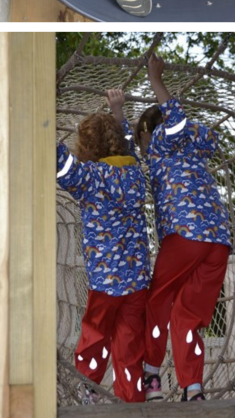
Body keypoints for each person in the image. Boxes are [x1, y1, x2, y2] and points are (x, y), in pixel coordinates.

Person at [135, 53, 232, 402]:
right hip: (218, 240)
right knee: (187, 314)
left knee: (158, 301)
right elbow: (205, 135)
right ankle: (193, 388)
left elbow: (172, 124)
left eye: (140, 140)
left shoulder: (161, 139)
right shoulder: (196, 143)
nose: (142, 151)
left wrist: (155, 81)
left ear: (149, 131)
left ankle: (151, 377)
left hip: (186, 233)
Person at [56, 89, 151, 403]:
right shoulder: (135, 173)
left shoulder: (90, 177)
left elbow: (65, 168)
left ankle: (89, 392)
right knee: (129, 344)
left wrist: (46, 132)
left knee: (96, 335)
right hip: (137, 280)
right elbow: (128, 147)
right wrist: (119, 112)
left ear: (86, 147)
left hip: (106, 279)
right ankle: (132, 399)